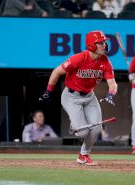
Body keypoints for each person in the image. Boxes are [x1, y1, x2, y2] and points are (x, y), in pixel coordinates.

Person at [39, 30, 118, 166]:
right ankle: (75, 124)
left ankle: (83, 154)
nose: (104, 45)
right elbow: (57, 71)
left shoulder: (105, 61)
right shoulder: (79, 58)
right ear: (92, 45)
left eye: (104, 42)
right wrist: (49, 90)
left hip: (89, 96)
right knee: (83, 133)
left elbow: (112, 83)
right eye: (101, 43)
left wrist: (111, 94)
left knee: (96, 129)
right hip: (71, 96)